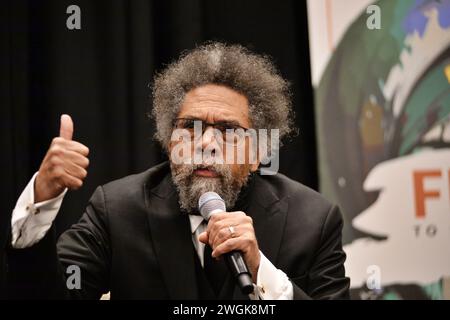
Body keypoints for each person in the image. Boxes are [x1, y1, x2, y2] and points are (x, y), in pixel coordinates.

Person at [7, 42, 349, 299]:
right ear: (170, 142)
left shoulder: (314, 220)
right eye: (190, 126)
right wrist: (43, 200)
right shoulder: (117, 209)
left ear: (259, 151)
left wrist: (262, 271)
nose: (206, 143)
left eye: (229, 130)